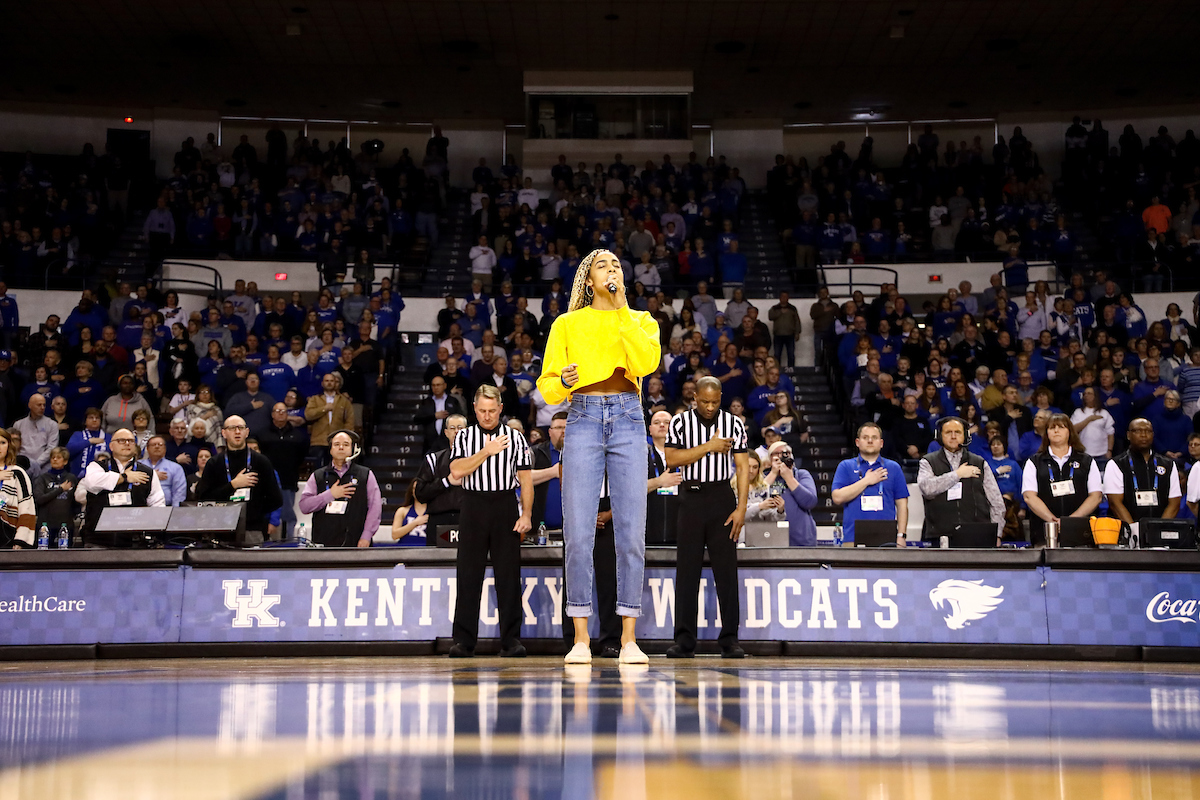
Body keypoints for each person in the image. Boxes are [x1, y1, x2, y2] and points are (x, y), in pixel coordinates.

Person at [536, 248, 661, 666]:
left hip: (628, 416)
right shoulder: (568, 323)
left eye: (617, 266)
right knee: (577, 533)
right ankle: (581, 638)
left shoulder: (640, 320)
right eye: (603, 266)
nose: (612, 270)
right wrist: (563, 381)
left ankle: (628, 639)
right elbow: (548, 385)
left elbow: (647, 362)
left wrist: (623, 308)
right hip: (584, 416)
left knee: (630, 532)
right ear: (588, 281)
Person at [664, 376, 750, 658]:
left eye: (715, 401)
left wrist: (741, 508)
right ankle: (684, 640)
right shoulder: (679, 422)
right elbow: (672, 460)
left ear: (721, 397)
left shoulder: (734, 423)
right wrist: (709, 447)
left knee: (726, 571)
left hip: (721, 498)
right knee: (687, 571)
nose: (710, 407)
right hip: (691, 497)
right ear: (694, 398)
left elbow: (742, 467)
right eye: (705, 401)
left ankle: (730, 639)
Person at [447, 385, 533, 658]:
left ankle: (511, 640)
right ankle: (464, 641)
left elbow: (526, 479)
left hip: (505, 503)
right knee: (468, 575)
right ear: (474, 409)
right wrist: (487, 451)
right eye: (482, 411)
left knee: (508, 576)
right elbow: (457, 470)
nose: (487, 416)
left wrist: (527, 514)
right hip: (473, 504)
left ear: (501, 409)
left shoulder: (515, 438)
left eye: (492, 411)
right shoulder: (464, 437)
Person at [917, 417, 1006, 545]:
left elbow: (996, 502)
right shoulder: (928, 461)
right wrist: (957, 474)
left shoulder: (979, 462)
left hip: (977, 533)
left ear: (966, 436)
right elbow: (927, 489)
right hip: (940, 535)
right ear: (939, 436)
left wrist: (997, 534)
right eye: (948, 432)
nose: (953, 436)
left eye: (957, 432)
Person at [193, 415, 283, 542]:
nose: (237, 432)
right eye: (232, 428)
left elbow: (276, 499)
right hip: (221, 529)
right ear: (224, 433)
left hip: (253, 530)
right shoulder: (214, 463)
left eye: (241, 428)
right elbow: (204, 498)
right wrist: (233, 485)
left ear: (247, 432)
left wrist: (254, 511)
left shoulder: (261, 462)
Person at [1021, 413, 1103, 546]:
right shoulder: (1034, 462)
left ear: (1069, 432)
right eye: (1052, 428)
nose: (1056, 431)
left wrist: (1069, 522)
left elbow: (1096, 496)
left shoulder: (1086, 461)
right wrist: (1053, 521)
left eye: (1061, 427)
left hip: (1081, 534)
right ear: (1046, 433)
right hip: (1044, 533)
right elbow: (1029, 497)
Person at [75, 427, 165, 546]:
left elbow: (157, 504)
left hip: (134, 541)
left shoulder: (147, 472)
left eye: (131, 441)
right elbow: (92, 483)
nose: (127, 443)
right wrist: (124, 477)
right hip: (98, 539)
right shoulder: (97, 467)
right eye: (122, 440)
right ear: (111, 446)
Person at [299, 430, 382, 547]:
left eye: (346, 444)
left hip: (357, 542)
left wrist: (366, 536)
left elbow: (375, 508)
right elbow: (304, 506)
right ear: (331, 449)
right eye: (337, 444)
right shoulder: (318, 476)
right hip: (323, 543)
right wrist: (330, 495)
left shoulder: (365, 474)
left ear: (353, 448)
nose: (341, 447)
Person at [831, 422, 910, 544]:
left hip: (887, 539)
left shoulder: (893, 467)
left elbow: (902, 505)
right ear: (857, 442)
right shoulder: (845, 466)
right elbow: (837, 497)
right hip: (852, 539)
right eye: (865, 437)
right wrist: (866, 481)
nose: (870, 441)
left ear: (881, 443)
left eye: (874, 437)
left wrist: (901, 535)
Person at [1103, 418, 1181, 533]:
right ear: (1129, 435)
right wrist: (1134, 531)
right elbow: (1115, 503)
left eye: (1148, 431)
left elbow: (1174, 503)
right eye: (1138, 431)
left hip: (1160, 534)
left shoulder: (1168, 464)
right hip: (1127, 533)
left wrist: (1159, 530)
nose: (1144, 435)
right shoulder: (1116, 464)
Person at [414, 413, 468, 543]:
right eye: (452, 428)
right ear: (445, 432)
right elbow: (420, 493)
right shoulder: (433, 459)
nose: (456, 431)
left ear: (467, 431)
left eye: (460, 428)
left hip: (469, 519)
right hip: (439, 520)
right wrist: (446, 482)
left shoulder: (478, 459)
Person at [258, 402, 309, 538]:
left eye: (283, 411)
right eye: (277, 411)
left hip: (288, 480)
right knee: (267, 513)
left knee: (287, 514)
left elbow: (301, 456)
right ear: (272, 414)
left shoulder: (298, 436)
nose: (280, 413)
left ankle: (288, 542)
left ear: (287, 414)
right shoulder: (262, 434)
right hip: (266, 482)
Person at [765, 440, 819, 546]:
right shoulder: (764, 477)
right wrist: (773, 473)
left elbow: (810, 502)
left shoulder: (802, 475)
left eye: (785, 454)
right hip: (771, 539)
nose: (781, 457)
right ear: (770, 458)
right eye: (776, 454)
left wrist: (789, 478)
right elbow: (755, 498)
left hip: (801, 540)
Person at [646, 409, 682, 544]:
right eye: (657, 422)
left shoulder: (685, 455)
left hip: (681, 532)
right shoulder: (641, 456)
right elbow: (632, 490)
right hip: (649, 531)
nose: (662, 425)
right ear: (650, 429)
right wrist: (659, 481)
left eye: (667, 422)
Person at [304, 373, 354, 464]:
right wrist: (324, 409)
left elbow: (349, 421)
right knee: (318, 470)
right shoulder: (315, 399)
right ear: (322, 383)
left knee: (337, 469)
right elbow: (308, 415)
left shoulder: (344, 401)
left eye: (332, 381)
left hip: (338, 442)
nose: (329, 383)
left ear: (335, 383)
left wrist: (346, 439)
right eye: (327, 381)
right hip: (318, 441)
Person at [31, 446, 76, 544]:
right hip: (45, 525)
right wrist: (60, 489)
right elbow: (39, 499)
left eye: (58, 457)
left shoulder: (71, 478)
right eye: (53, 457)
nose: (55, 459)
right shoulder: (42, 478)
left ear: (65, 461)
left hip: (65, 524)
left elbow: (75, 501)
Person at [0, 429, 36, 548]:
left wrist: (20, 540)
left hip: (7, 537)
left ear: (9, 446)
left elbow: (27, 508)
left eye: (2, 443)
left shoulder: (17, 473)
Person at [415, 375, 465, 454]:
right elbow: (417, 419)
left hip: (448, 443)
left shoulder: (452, 401)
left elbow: (460, 418)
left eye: (438, 385)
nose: (436, 387)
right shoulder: (427, 402)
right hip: (430, 443)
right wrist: (434, 416)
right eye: (433, 385)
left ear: (444, 385)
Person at [13, 394, 57, 477]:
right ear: (30, 405)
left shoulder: (52, 424)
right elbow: (14, 446)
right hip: (22, 465)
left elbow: (52, 447)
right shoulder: (18, 424)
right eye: (39, 405)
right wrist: (23, 462)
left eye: (44, 405)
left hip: (43, 467)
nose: (42, 407)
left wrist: (35, 464)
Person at [140, 435, 186, 507]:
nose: (157, 447)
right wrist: (153, 475)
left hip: (167, 507)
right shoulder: (139, 465)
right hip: (142, 507)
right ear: (147, 448)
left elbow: (179, 492)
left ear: (165, 448)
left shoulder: (175, 467)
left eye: (160, 445)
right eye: (153, 445)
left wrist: (174, 512)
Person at [388, 480, 429, 546]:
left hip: (427, 552)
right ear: (412, 492)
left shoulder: (435, 512)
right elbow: (394, 535)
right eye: (415, 488)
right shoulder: (402, 511)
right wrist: (415, 523)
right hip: (404, 552)